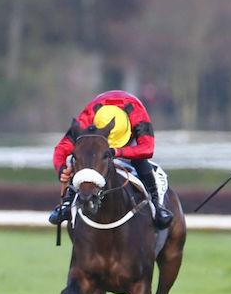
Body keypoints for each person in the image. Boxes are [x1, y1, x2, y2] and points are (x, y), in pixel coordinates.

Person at [49, 90, 173, 228]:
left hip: (126, 144)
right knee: (81, 157)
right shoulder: (89, 115)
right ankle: (68, 203)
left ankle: (157, 205)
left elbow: (148, 149)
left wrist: (118, 151)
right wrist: (61, 169)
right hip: (99, 142)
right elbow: (62, 148)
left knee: (140, 161)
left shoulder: (137, 114)